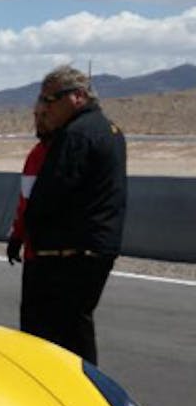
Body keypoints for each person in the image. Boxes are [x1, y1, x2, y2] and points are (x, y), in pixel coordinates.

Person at [17, 65, 127, 365]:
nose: (45, 108)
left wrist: (29, 235)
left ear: (77, 97)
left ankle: (77, 396)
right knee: (75, 327)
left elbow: (53, 191)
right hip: (94, 246)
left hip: (67, 253)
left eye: (50, 100)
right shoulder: (109, 129)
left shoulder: (76, 135)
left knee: (54, 334)